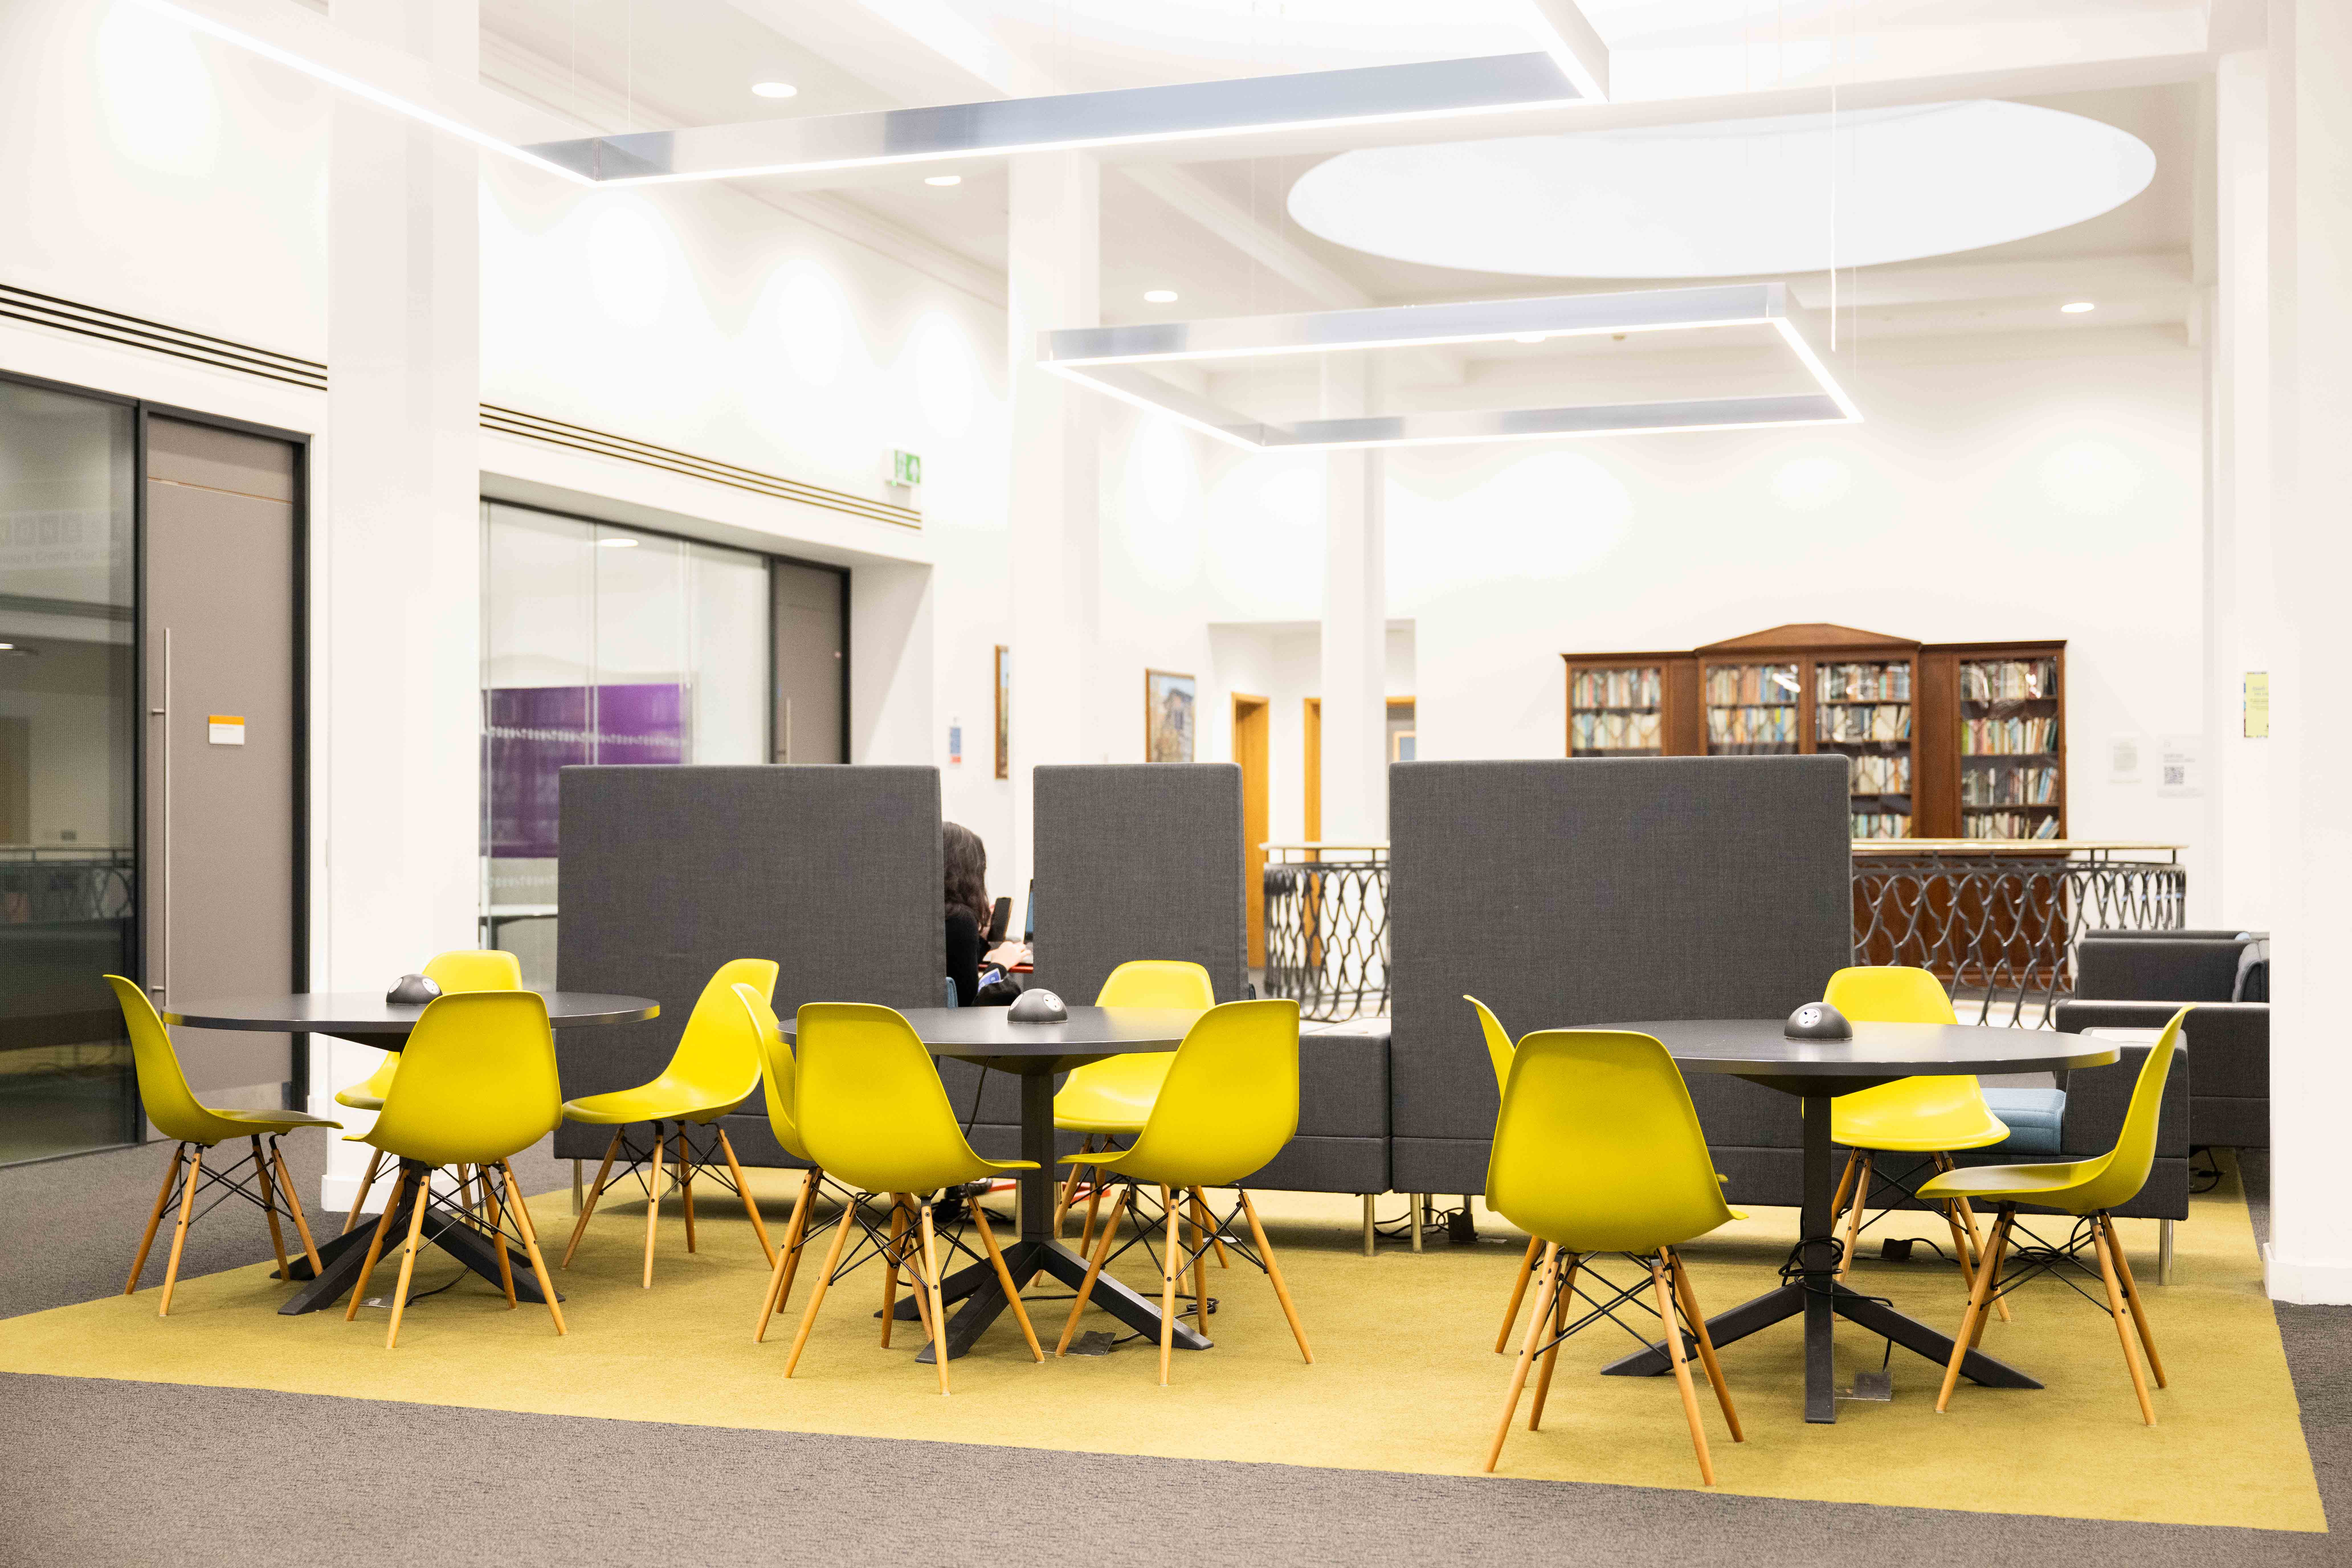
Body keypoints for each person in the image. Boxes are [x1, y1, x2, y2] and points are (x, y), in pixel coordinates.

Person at [943, 822, 996, 1007]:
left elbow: (953, 972)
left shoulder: (930, 917)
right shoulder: (960, 920)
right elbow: (968, 1004)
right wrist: (1000, 966)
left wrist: (979, 939)